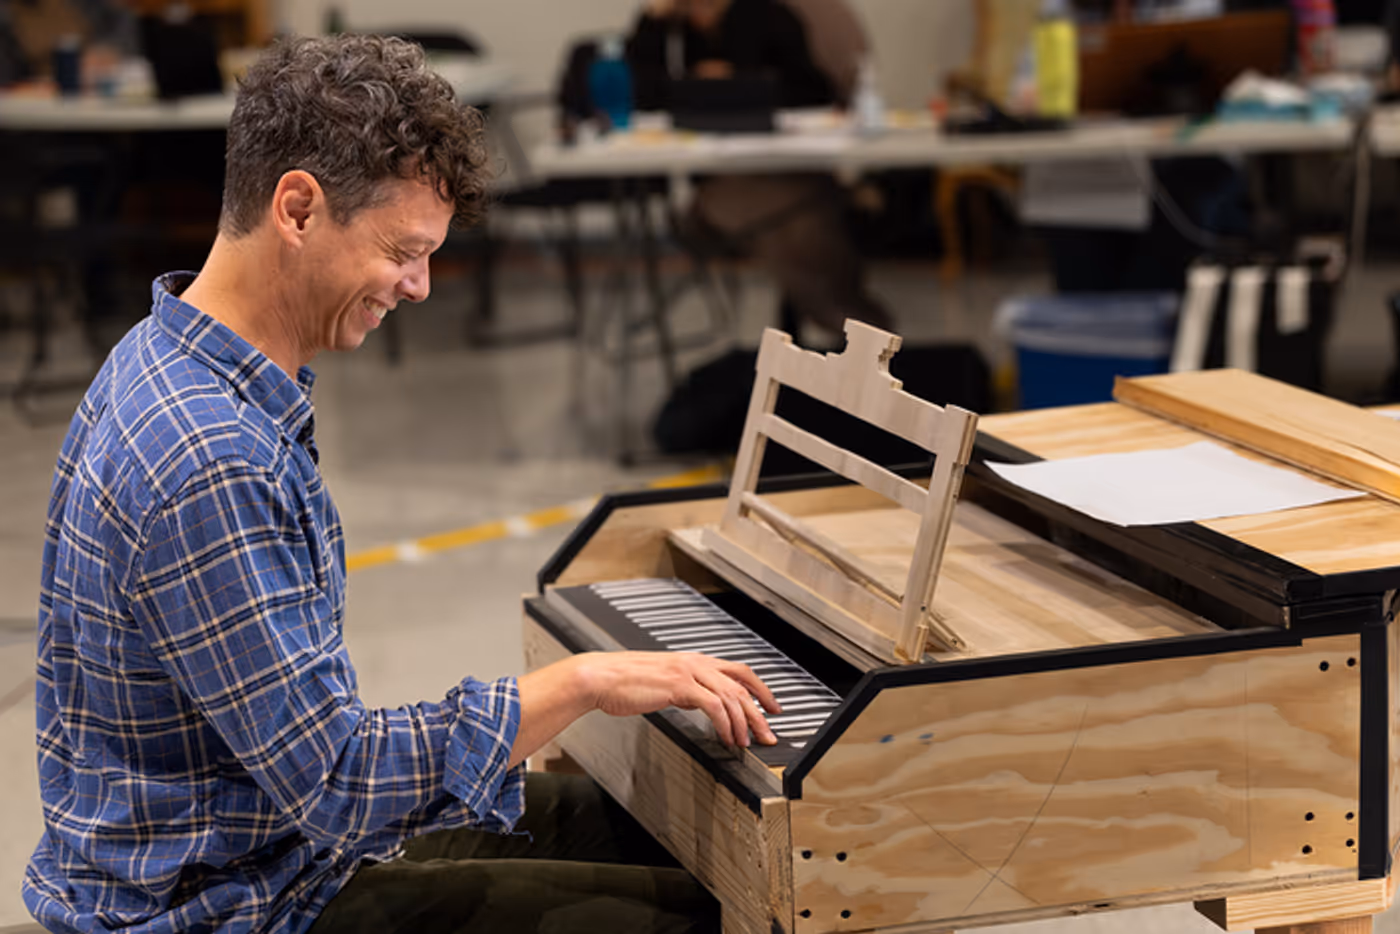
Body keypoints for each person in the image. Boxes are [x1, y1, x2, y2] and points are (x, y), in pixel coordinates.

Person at [24, 34, 781, 934]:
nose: (420, 287)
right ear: (298, 209)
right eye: (403, 250)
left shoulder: (164, 351)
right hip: (231, 905)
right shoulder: (209, 456)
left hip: (264, 848)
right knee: (693, 912)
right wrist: (579, 684)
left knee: (648, 834)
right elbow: (342, 784)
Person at [626, 0, 893, 341]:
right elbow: (636, 98)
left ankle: (859, 338)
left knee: (798, 220)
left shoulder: (766, 15)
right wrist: (652, 23)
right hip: (718, 183)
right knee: (798, 222)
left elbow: (813, 92)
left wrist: (740, 83)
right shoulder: (666, 32)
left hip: (787, 171)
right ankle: (864, 335)